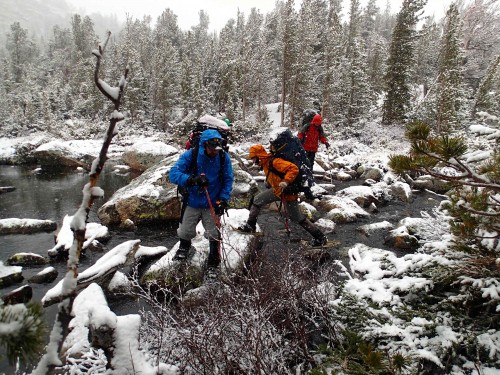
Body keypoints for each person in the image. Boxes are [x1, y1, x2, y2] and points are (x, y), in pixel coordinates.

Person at [169, 129, 234, 273]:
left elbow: (228, 179)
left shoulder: (223, 157)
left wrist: (223, 199)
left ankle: (213, 257)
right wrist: (192, 180)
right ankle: (185, 247)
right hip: (192, 200)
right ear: (204, 145)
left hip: (213, 200)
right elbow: (173, 174)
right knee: (185, 230)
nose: (215, 152)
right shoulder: (191, 155)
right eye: (212, 149)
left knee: (213, 233)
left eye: (217, 149)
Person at [238, 144, 327, 247]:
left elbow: (293, 169)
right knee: (257, 200)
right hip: (278, 191)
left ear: (259, 155)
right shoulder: (266, 163)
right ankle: (250, 225)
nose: (253, 161)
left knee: (297, 217)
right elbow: (275, 175)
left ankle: (320, 238)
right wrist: (269, 181)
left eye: (254, 158)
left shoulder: (275, 161)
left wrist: (285, 181)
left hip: (287, 192)